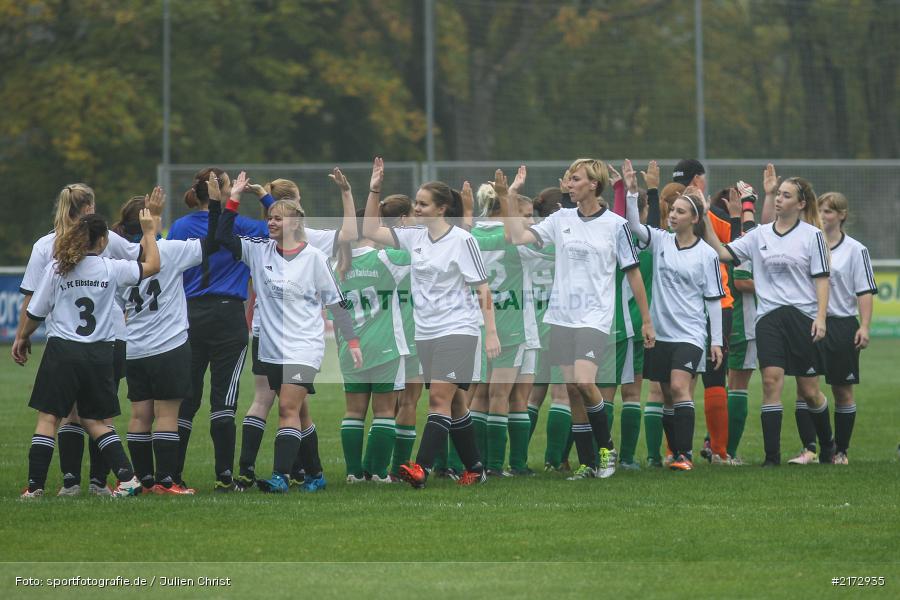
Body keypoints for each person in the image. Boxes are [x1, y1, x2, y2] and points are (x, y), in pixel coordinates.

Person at [501, 159, 655, 480]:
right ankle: (587, 464)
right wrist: (510, 195)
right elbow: (518, 237)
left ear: (593, 185)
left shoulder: (616, 225)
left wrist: (647, 320)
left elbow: (633, 273)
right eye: (570, 179)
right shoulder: (561, 219)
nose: (569, 184)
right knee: (572, 389)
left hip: (595, 317)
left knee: (585, 383)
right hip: (561, 317)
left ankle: (606, 448)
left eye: (575, 179)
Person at [213, 171, 361, 492]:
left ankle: (280, 476)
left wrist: (352, 342)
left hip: (304, 347)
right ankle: (316, 474)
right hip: (271, 347)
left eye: (278, 218)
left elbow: (337, 304)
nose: (271, 223)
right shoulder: (259, 251)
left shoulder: (314, 258)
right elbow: (223, 237)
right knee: (301, 412)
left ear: (295, 224)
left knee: (287, 409)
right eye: (269, 218)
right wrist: (235, 196)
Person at [363, 157, 498, 488]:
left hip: (460, 331)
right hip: (426, 333)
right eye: (416, 204)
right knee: (454, 403)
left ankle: (420, 467)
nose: (417, 209)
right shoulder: (414, 237)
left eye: (423, 204)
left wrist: (490, 332)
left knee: (438, 399)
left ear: (441, 209)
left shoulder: (463, 241)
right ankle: (476, 468)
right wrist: (374, 188)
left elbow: (483, 288)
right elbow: (368, 231)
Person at [15, 208, 161, 499]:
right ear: (103, 240)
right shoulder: (111, 268)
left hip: (63, 351)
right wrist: (148, 231)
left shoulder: (58, 267)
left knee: (48, 419)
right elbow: (153, 265)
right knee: (95, 421)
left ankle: (35, 487)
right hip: (99, 353)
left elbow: (36, 312)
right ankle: (128, 478)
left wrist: (22, 336)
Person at [701, 174, 835, 466]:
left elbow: (822, 280)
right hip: (769, 318)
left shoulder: (812, 236)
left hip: (803, 317)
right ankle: (771, 458)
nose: (779, 199)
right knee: (771, 382)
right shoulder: (759, 234)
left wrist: (821, 318)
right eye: (779, 194)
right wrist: (704, 219)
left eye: (786, 196)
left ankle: (828, 446)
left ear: (801, 204)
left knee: (810, 391)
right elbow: (723, 253)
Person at [167, 167, 273, 491]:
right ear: (222, 192)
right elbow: (279, 226)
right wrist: (261, 195)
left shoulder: (180, 226)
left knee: (186, 399)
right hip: (228, 316)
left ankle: (173, 474)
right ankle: (225, 476)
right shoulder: (238, 224)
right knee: (224, 400)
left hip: (189, 316)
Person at [624, 160, 724, 471]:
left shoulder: (707, 254)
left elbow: (713, 301)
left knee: (681, 388)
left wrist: (716, 342)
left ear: (694, 218)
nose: (673, 215)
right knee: (667, 395)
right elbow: (634, 227)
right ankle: (676, 453)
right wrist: (631, 193)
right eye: (673, 211)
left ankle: (685, 455)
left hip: (690, 335)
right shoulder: (661, 240)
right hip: (661, 334)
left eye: (681, 211)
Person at [115, 190, 210, 495]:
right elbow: (214, 242)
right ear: (150, 221)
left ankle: (142, 482)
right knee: (167, 415)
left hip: (135, 347)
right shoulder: (169, 250)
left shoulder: (118, 258)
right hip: (169, 346)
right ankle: (166, 482)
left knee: (140, 415)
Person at [334, 207, 409, 483]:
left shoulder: (336, 266)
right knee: (385, 411)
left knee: (353, 411)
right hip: (385, 345)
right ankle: (378, 473)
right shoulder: (386, 259)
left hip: (348, 348)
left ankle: (354, 473)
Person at [816, 192, 876, 464]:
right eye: (820, 210)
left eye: (829, 211)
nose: (823, 216)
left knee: (842, 390)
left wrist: (864, 326)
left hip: (841, 324)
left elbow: (864, 291)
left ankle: (841, 450)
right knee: (807, 388)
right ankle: (813, 448)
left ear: (842, 215)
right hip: (812, 323)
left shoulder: (856, 250)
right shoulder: (809, 244)